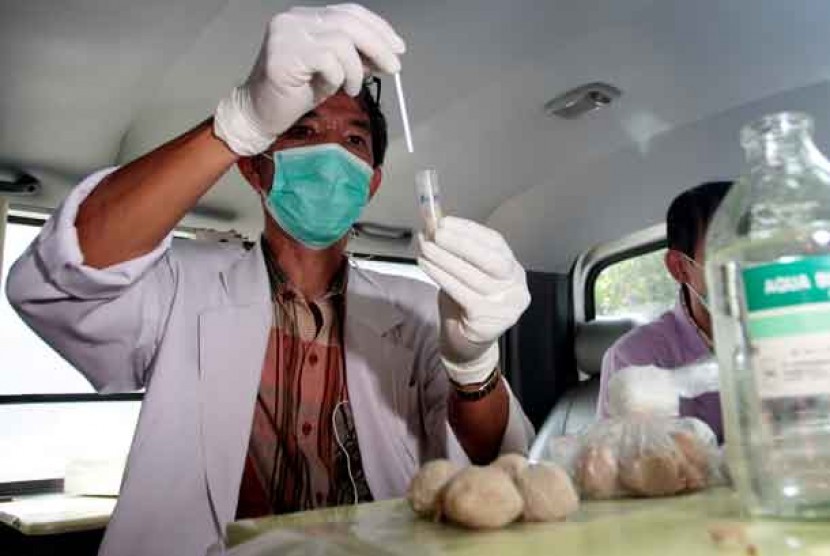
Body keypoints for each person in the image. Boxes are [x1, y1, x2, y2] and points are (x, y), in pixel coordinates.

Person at [5, 5, 533, 555]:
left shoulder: (423, 310)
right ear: (254, 167)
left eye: (354, 141)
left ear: (371, 185)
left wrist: (474, 363)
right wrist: (235, 123)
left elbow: (493, 457)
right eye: (303, 130)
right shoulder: (181, 287)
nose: (331, 154)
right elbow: (63, 276)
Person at [596, 181, 733, 441]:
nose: (747, 270)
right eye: (727, 253)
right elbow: (625, 468)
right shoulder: (635, 359)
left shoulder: (799, 334)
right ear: (680, 268)